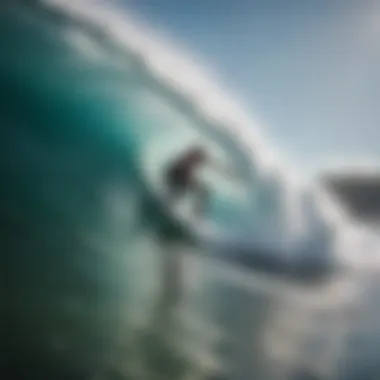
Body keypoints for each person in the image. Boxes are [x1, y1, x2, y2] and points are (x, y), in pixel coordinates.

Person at [164, 145, 214, 218]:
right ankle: (170, 204)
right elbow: (179, 170)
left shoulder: (192, 159)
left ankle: (196, 213)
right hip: (176, 176)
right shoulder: (187, 159)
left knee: (204, 192)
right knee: (179, 192)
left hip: (180, 178)